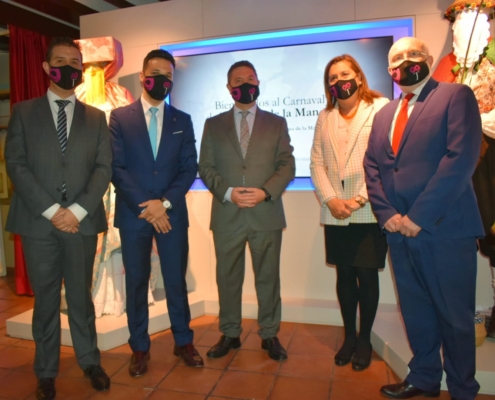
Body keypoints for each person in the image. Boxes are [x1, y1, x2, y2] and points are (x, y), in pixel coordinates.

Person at [364, 37, 483, 400]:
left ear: (429, 60)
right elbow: (373, 166)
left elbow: (459, 159)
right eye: (398, 58)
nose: (406, 61)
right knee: (415, 311)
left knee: (455, 317)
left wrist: (419, 215)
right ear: (389, 71)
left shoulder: (455, 96)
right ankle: (425, 377)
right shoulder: (384, 113)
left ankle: (463, 389)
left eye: (414, 54)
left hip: (444, 230)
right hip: (399, 233)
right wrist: (387, 215)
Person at [5, 37, 112, 400]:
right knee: (46, 300)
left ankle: (89, 360)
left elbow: (103, 167)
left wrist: (77, 211)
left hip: (81, 222)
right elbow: (16, 165)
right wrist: (53, 211)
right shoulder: (23, 111)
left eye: (74, 62)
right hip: (39, 223)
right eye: (61, 61)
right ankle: (46, 371)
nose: (68, 67)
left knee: (81, 299)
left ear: (81, 69)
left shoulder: (97, 118)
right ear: (45, 67)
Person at [109, 49, 203, 375]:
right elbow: (117, 168)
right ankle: (139, 347)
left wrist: (163, 203)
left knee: (175, 280)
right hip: (134, 214)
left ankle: (184, 341)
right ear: (142, 76)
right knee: (137, 282)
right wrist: (147, 205)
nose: (161, 80)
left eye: (168, 76)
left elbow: (189, 168)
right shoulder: (120, 118)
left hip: (171, 214)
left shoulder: (183, 120)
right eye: (156, 73)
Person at [198, 60, 295, 361]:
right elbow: (206, 166)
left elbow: (287, 164)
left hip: (265, 213)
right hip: (227, 214)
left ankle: (269, 334)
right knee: (227, 278)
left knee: (268, 278)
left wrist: (265, 192)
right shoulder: (213, 124)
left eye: (250, 78)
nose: (244, 84)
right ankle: (230, 333)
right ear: (229, 89)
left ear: (258, 82)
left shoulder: (276, 123)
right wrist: (228, 192)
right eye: (237, 81)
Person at [310, 54, 389, 371]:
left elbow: (387, 160)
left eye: (344, 74)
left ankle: (366, 339)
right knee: (344, 275)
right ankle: (349, 337)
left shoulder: (379, 108)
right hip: (335, 211)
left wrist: (357, 201)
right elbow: (316, 162)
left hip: (367, 209)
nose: (338, 81)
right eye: (332, 77)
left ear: (358, 76)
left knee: (367, 276)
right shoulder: (324, 116)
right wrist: (330, 199)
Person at [433, 0, 495, 338]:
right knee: (455, 246)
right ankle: (459, 317)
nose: (468, 24)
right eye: (461, 18)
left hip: (489, 167)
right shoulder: (446, 66)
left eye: (477, 17)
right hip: (454, 172)